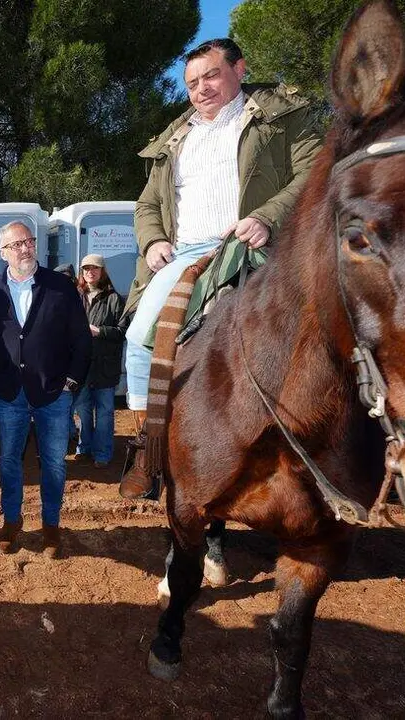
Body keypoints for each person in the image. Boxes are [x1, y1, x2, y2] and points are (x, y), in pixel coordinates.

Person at [119, 38, 322, 497]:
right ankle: (144, 448)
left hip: (263, 245)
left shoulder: (281, 117)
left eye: (210, 76)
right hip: (187, 253)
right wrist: (152, 242)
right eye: (192, 83)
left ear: (239, 69)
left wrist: (266, 216)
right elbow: (147, 204)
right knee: (136, 341)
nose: (201, 88)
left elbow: (313, 172)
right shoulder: (175, 140)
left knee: (328, 332)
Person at [0, 221, 91, 559]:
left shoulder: (60, 286)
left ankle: (50, 526)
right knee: (9, 461)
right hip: (9, 394)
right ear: (3, 253)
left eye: (29, 241)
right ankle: (11, 522)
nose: (25, 248)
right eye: (17, 244)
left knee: (54, 462)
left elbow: (81, 338)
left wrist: (72, 381)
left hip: (54, 393)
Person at [73, 254, 124, 468]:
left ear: (102, 271)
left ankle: (102, 453)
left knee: (104, 412)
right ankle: (84, 447)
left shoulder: (114, 299)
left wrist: (100, 331)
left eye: (94, 268)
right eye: (86, 269)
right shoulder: (76, 296)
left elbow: (122, 331)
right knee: (83, 409)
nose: (90, 272)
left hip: (105, 366)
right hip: (81, 366)